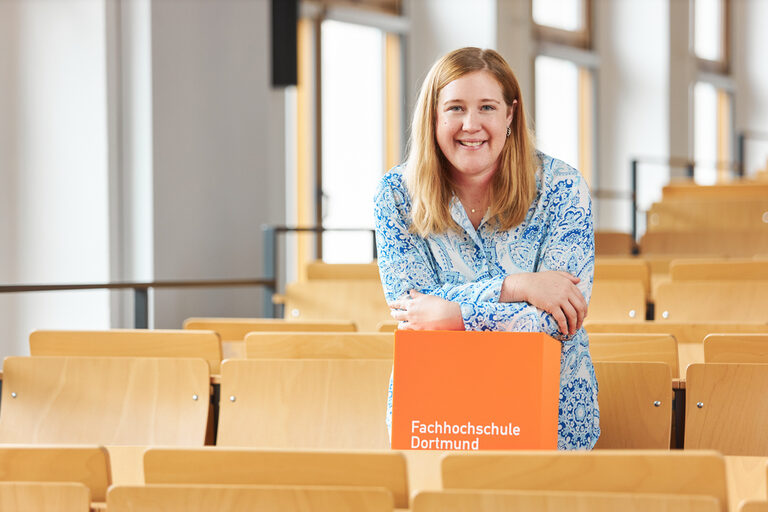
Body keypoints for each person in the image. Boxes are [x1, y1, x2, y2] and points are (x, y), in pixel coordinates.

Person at [374, 47, 600, 450]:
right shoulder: (395, 193)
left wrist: (455, 314)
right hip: (435, 411)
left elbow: (556, 321)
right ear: (434, 116)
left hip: (547, 411)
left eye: (487, 108)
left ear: (510, 114)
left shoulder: (563, 187)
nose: (471, 124)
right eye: (456, 108)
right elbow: (411, 310)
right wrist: (517, 287)